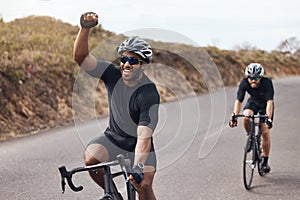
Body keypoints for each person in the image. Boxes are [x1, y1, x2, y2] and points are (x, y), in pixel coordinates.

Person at [73, 12, 159, 200]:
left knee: (143, 185)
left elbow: (144, 137)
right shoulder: (112, 75)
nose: (127, 64)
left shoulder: (148, 92)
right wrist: (84, 29)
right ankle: (114, 195)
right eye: (124, 59)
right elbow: (81, 58)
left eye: (133, 60)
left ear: (143, 65)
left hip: (139, 145)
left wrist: (138, 167)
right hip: (114, 137)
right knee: (91, 158)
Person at [229, 63, 274, 173]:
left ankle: (265, 161)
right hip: (253, 102)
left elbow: (269, 102)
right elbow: (239, 100)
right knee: (246, 116)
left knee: (265, 132)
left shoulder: (267, 83)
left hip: (265, 106)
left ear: (261, 77)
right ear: (247, 77)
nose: (253, 81)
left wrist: (269, 118)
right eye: (251, 78)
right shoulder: (244, 83)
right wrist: (234, 116)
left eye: (256, 78)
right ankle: (250, 136)